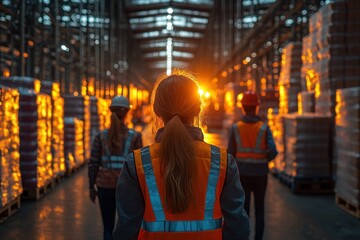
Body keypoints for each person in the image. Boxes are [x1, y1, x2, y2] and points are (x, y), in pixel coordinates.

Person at [113, 71, 250, 240]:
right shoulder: (221, 162)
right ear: (198, 109)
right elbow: (239, 227)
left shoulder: (138, 164)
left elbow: (126, 230)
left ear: (156, 110)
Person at [88, 95, 143, 240]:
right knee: (125, 229)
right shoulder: (135, 136)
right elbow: (140, 166)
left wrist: (90, 187)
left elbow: (93, 163)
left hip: (104, 187)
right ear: (127, 113)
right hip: (127, 188)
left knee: (108, 228)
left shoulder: (101, 136)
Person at [227, 91, 278, 240]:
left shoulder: (235, 128)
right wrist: (263, 159)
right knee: (260, 210)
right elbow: (273, 150)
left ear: (242, 107)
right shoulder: (264, 128)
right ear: (256, 107)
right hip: (260, 174)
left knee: (244, 210)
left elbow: (230, 153)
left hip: (242, 174)